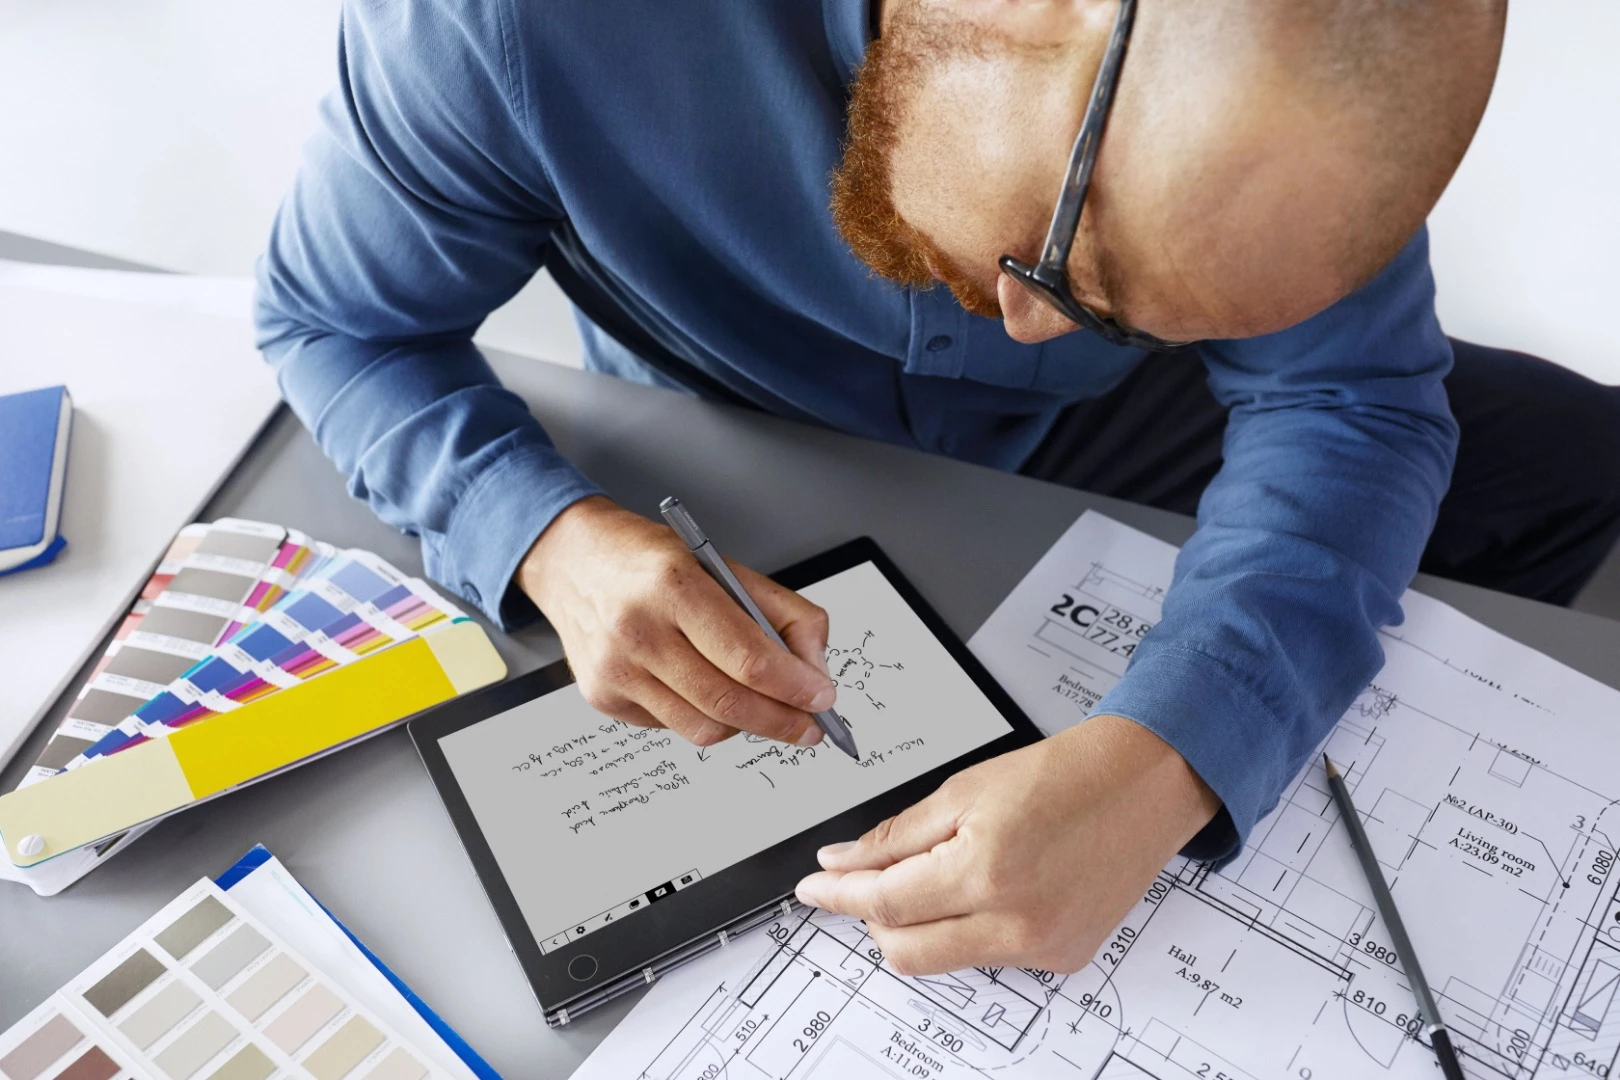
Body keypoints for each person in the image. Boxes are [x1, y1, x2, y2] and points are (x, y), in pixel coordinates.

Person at [255, 0, 1620, 977]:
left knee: (1580, 458)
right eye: (1053, 270)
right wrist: (544, 533)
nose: (1034, 339)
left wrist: (1172, 760)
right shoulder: (506, 25)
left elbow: (1349, 397)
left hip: (1112, 450)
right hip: (738, 453)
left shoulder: (1282, 85)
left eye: (1136, 313)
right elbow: (336, 327)